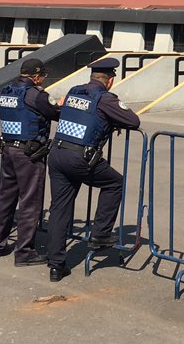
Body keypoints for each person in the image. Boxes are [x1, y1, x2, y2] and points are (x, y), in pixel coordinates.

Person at [45, 56, 140, 282]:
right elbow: (133, 121)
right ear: (109, 81)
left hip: (57, 153)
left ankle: (56, 265)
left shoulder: (74, 91)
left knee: (59, 208)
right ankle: (100, 235)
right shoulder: (105, 98)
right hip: (80, 158)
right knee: (114, 183)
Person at [0, 58, 61, 266]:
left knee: (5, 198)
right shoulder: (36, 95)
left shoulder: (7, 91)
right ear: (36, 76)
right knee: (30, 202)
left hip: (9, 149)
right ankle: (24, 252)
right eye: (43, 76)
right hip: (29, 154)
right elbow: (55, 112)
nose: (44, 80)